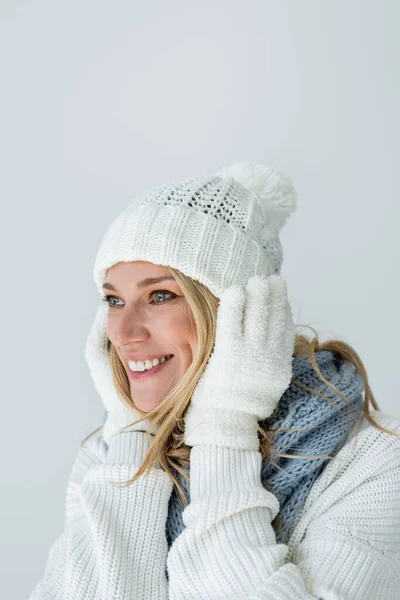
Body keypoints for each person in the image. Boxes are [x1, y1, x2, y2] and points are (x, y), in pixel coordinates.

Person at [29, 160, 400, 599]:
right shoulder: (105, 456)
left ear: (237, 312)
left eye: (159, 295)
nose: (125, 335)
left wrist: (225, 427)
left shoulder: (375, 461)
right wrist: (131, 434)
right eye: (113, 300)